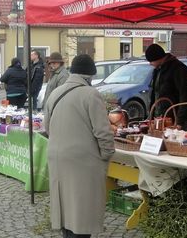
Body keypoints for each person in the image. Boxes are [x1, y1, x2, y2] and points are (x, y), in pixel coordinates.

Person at [44, 54, 115, 238]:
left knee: (66, 211)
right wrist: (107, 155)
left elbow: (47, 127)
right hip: (82, 160)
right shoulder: (91, 94)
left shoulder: (55, 93)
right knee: (82, 213)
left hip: (57, 156)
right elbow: (103, 132)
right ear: (90, 75)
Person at [145, 44, 187, 129]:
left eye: (151, 61)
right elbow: (155, 93)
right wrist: (151, 117)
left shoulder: (178, 69)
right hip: (159, 118)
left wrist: (180, 121)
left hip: (173, 118)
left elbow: (185, 96)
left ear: (158, 58)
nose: (150, 64)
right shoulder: (157, 70)